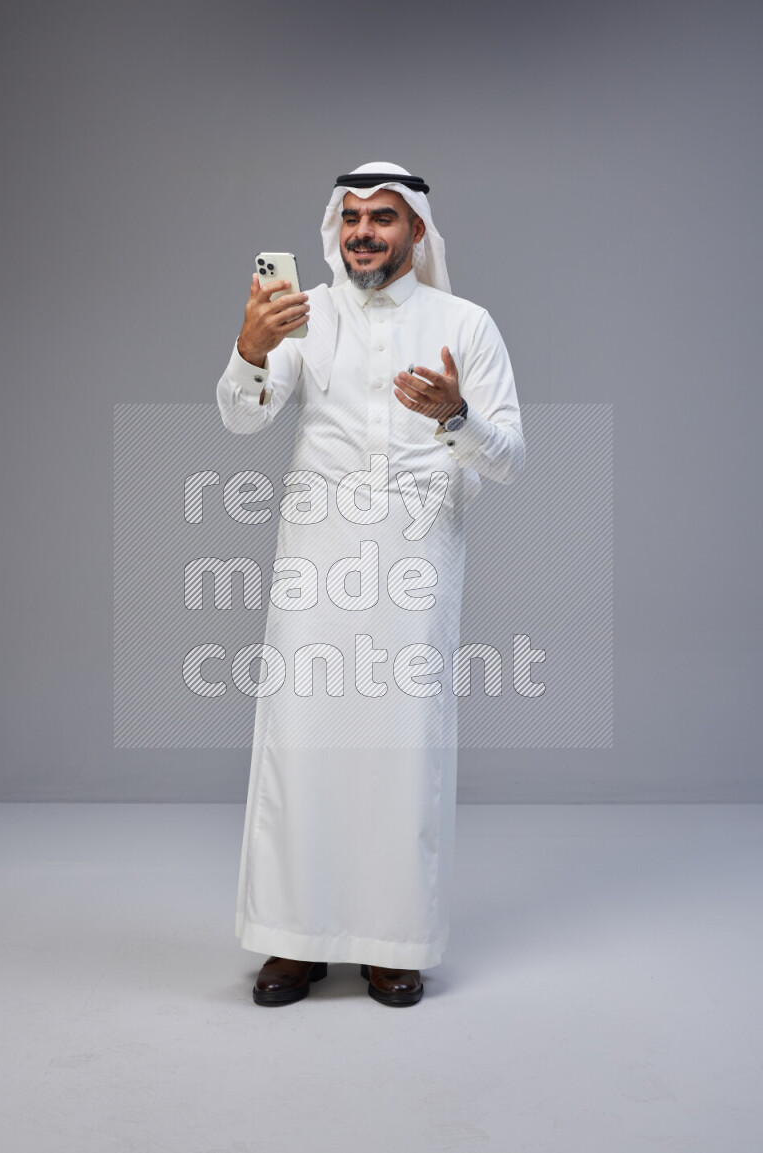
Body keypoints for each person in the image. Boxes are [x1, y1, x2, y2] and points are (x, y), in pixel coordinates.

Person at [216, 161, 525, 1007]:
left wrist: (457, 418)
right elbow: (242, 415)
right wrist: (250, 348)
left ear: (416, 231)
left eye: (383, 217)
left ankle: (394, 941)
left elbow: (511, 460)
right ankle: (292, 942)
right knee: (301, 744)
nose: (363, 232)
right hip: (315, 567)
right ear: (334, 227)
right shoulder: (302, 320)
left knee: (402, 749)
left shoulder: (466, 322)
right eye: (351, 217)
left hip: (416, 569)